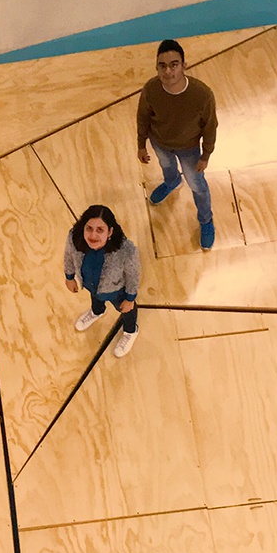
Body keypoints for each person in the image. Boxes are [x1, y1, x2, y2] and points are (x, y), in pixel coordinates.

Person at [136, 39, 219, 250]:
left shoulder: (202, 95)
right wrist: (141, 144)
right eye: (162, 66)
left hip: (189, 150)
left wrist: (205, 156)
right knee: (166, 166)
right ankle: (172, 182)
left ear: (184, 66)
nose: (168, 71)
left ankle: (206, 220)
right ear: (156, 68)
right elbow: (143, 116)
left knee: (197, 185)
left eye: (174, 65)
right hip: (160, 143)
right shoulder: (151, 89)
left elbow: (210, 127)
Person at [64, 204, 141, 359]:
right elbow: (68, 256)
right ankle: (97, 311)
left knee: (127, 311)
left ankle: (130, 330)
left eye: (100, 230)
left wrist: (130, 298)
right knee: (95, 297)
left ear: (110, 232)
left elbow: (133, 275)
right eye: (89, 228)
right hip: (90, 284)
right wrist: (69, 277)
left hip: (116, 290)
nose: (93, 235)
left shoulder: (126, 250)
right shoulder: (74, 238)